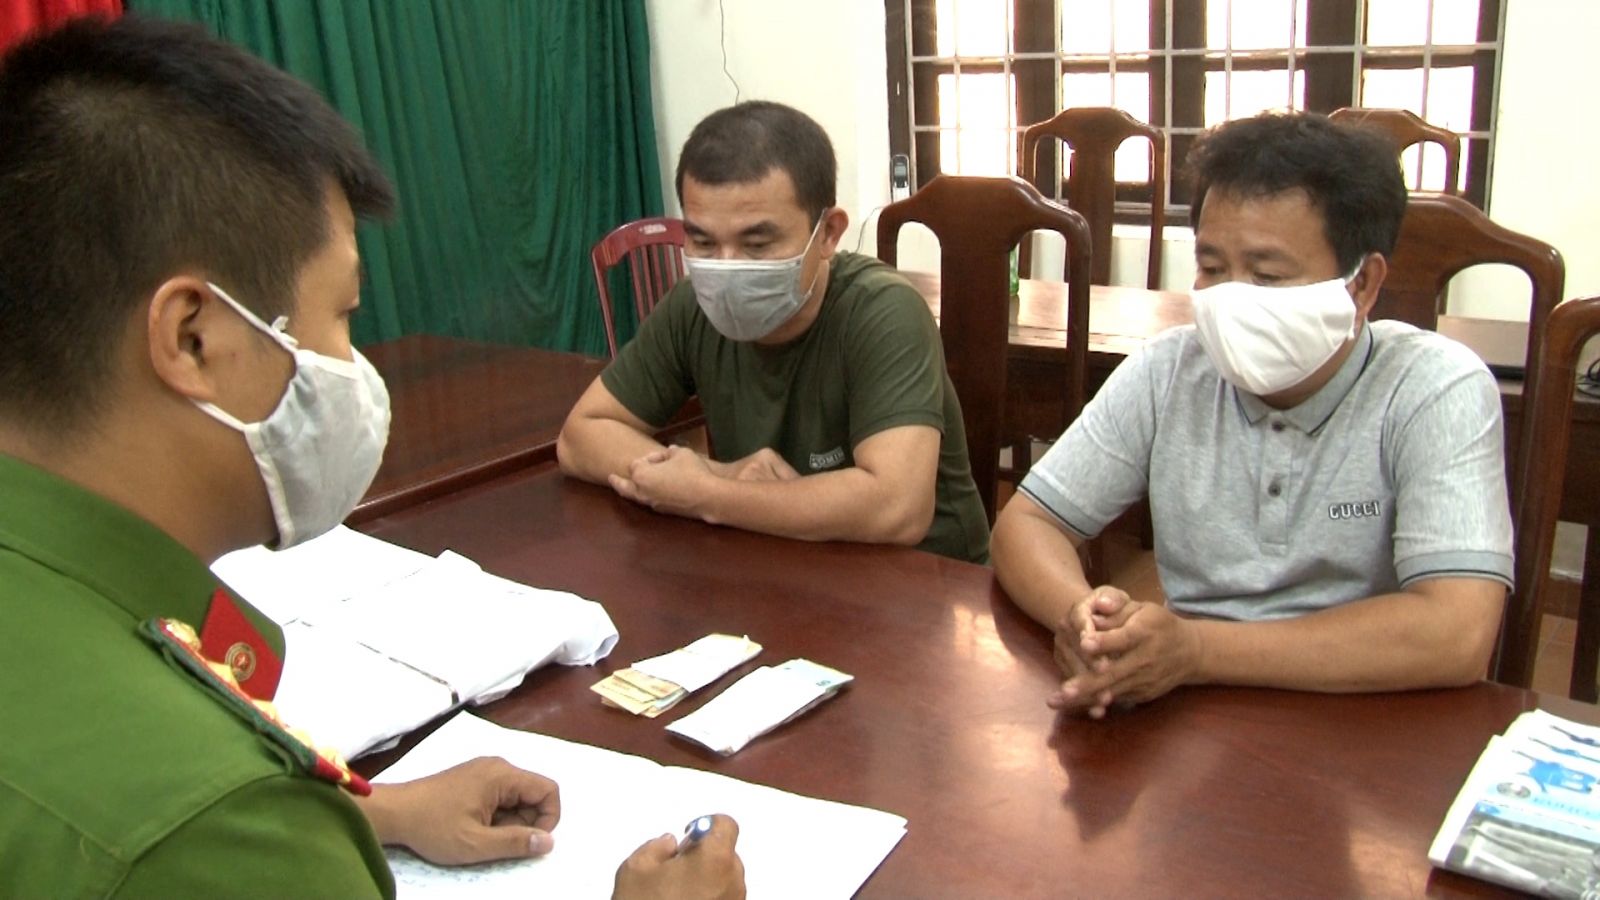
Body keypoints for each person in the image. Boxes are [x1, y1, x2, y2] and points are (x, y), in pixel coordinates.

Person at [0, 16, 743, 898]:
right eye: (343, 313)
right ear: (194, 338)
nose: (353, 367)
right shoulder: (223, 831)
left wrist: (372, 809)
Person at [992, 111, 1512, 718]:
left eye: (1267, 276)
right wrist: (1084, 622)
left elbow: (1456, 632)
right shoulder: (1169, 370)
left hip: (1369, 719)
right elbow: (1027, 524)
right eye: (1212, 268)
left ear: (1362, 284)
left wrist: (1199, 651)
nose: (1231, 299)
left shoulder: (1434, 388)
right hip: (1191, 719)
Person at [557, 101, 989, 563]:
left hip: (925, 580)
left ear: (828, 234)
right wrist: (718, 476)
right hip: (781, 558)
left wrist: (706, 493)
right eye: (703, 241)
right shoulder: (691, 307)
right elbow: (581, 437)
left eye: (756, 244)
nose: (726, 268)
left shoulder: (883, 311)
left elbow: (897, 509)